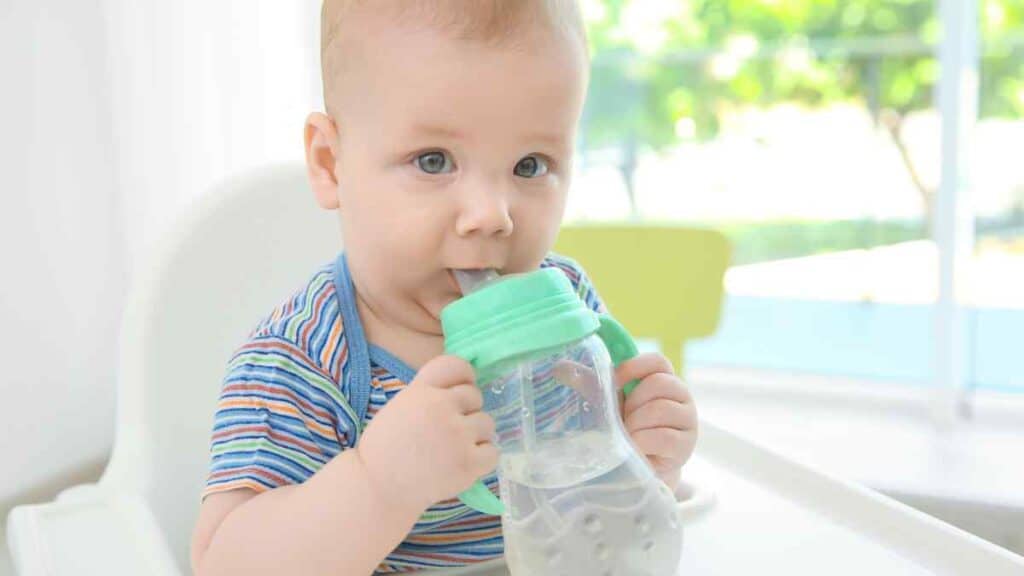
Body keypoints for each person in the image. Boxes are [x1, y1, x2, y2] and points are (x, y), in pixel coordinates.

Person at [190, 1, 697, 574]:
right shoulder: (302, 361)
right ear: (332, 163)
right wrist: (379, 481)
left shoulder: (565, 302)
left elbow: (599, 520)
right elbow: (226, 563)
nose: (491, 215)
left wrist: (642, 457)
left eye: (530, 165)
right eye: (434, 161)